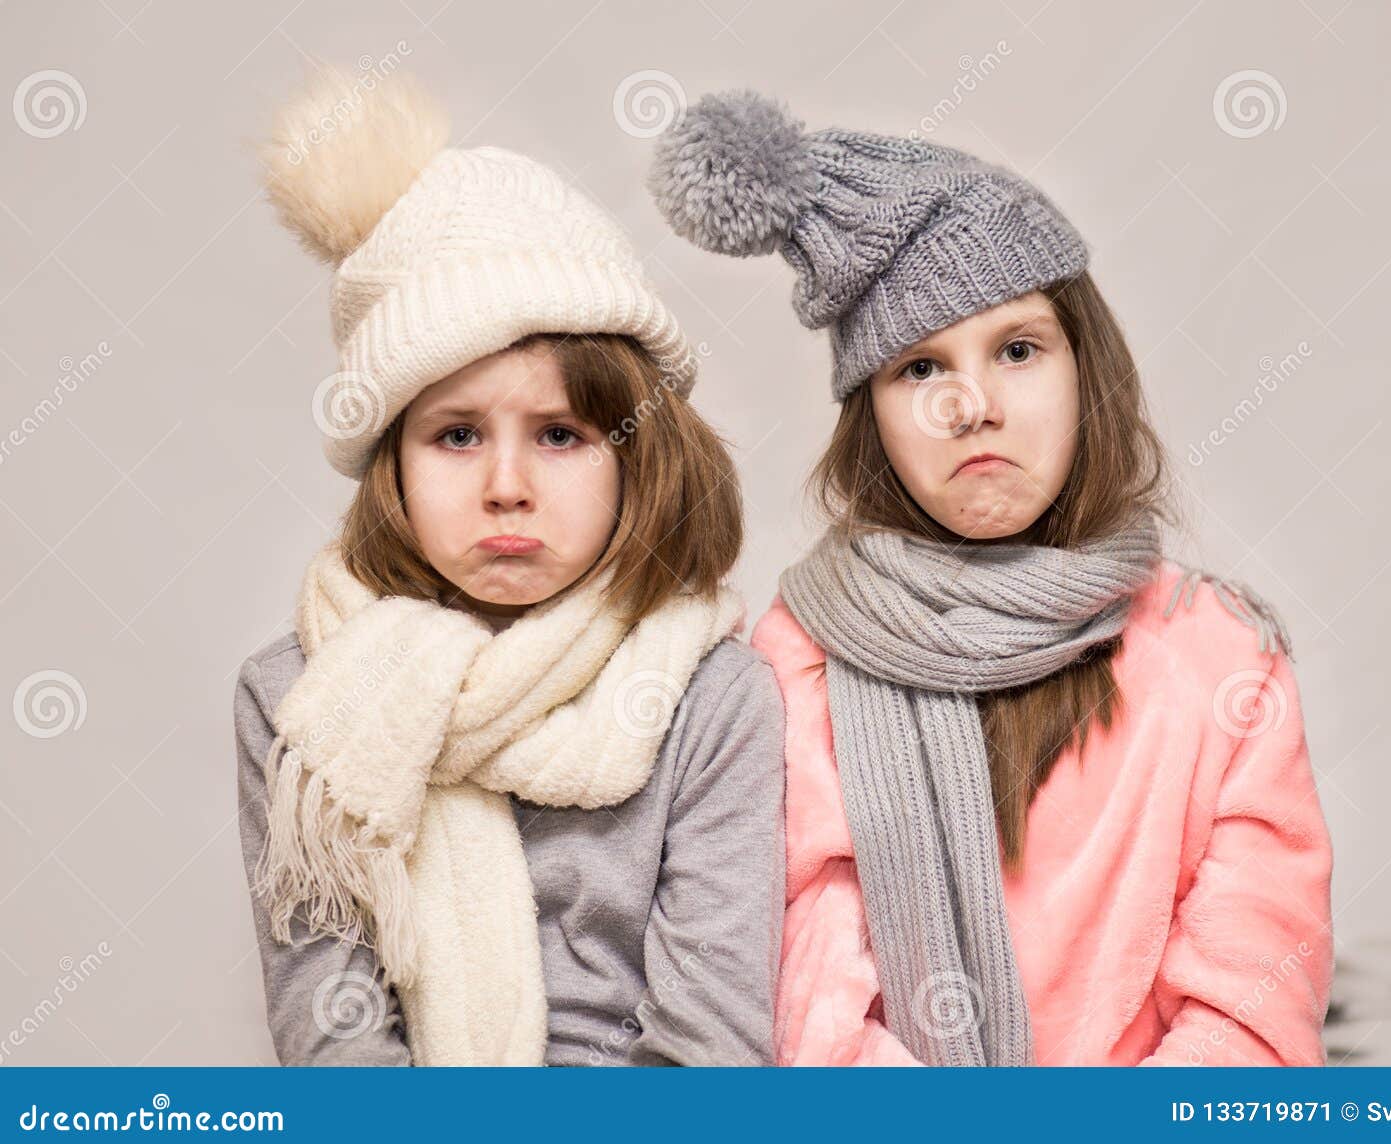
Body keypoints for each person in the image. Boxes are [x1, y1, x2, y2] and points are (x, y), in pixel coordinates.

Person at [650, 90, 1334, 1066]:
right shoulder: (801, 655)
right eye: (918, 368)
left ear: (1084, 371)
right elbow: (810, 993)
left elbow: (1254, 1000)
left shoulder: (1222, 652)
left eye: (1017, 350)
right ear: (871, 416)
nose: (971, 405)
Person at [233, 68, 783, 1066]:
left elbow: (712, 1040)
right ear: (389, 459)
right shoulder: (301, 695)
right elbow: (330, 1028)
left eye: (562, 434)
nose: (506, 485)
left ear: (636, 451)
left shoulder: (709, 692)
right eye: (454, 435)